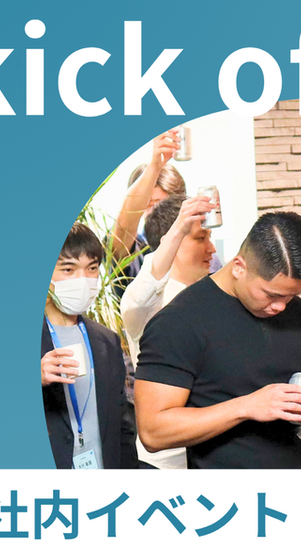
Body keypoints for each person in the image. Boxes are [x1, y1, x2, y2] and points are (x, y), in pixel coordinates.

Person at [134, 211, 301, 469]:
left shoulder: (295, 311)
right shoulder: (178, 321)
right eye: (271, 295)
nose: (281, 306)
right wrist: (246, 407)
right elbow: (153, 432)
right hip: (227, 489)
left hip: (299, 481)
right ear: (239, 267)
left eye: (292, 295)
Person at [119, 193, 216, 469]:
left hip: (213, 451)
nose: (211, 249)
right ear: (170, 240)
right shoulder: (147, 303)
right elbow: (143, 294)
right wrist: (179, 227)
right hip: (165, 462)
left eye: (210, 238)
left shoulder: (213, 295)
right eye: (200, 238)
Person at [41, 223, 136, 469]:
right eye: (68, 269)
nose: (83, 280)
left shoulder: (106, 340)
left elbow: (122, 424)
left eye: (92, 268)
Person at [109, 130, 188, 290]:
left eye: (160, 204)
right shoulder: (135, 251)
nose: (155, 213)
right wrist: (155, 165)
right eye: (148, 205)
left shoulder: (200, 246)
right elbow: (123, 229)